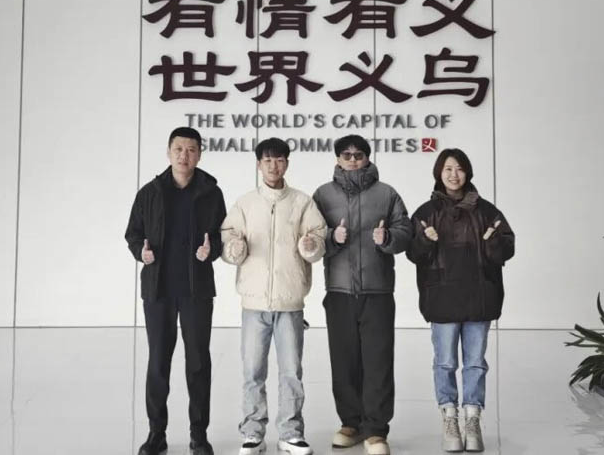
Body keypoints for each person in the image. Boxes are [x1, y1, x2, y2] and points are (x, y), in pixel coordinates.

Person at [221, 137, 327, 455]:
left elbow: (317, 240)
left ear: (287, 163)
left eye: (279, 160)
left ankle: (291, 433)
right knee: (253, 371)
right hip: (253, 304)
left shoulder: (302, 202)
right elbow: (229, 241)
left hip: (290, 302)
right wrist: (234, 249)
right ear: (258, 164)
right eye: (267, 160)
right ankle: (253, 433)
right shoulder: (245, 203)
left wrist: (311, 246)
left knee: (291, 371)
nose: (273, 166)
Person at [125, 127, 226, 455]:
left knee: (198, 362)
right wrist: (141, 251)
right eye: (179, 149)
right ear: (169, 152)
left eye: (191, 149)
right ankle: (157, 433)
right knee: (158, 362)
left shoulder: (211, 193)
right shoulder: (150, 192)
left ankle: (199, 435)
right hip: (159, 290)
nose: (185, 155)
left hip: (197, 290)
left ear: (200, 154)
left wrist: (210, 251)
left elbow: (223, 235)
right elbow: (133, 233)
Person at [406, 148, 514, 453]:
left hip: (480, 296)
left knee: (475, 363)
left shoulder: (487, 211)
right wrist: (425, 240)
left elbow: (507, 248)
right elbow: (413, 253)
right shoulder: (426, 212)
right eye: (448, 169)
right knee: (445, 362)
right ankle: (450, 418)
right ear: (439, 173)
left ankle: (472, 419)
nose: (454, 175)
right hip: (441, 296)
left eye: (459, 169)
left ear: (468, 172)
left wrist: (493, 243)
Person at [313, 135, 412, 455]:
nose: (353, 159)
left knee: (378, 361)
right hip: (339, 291)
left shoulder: (387, 194)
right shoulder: (323, 195)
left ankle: (376, 430)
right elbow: (310, 238)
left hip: (377, 291)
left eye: (359, 154)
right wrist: (332, 237)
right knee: (344, 361)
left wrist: (388, 238)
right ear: (337, 159)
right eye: (347, 155)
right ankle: (350, 423)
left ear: (368, 157)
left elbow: (406, 232)